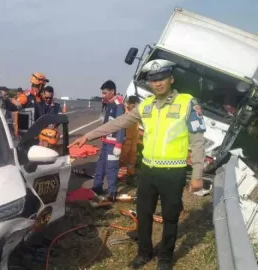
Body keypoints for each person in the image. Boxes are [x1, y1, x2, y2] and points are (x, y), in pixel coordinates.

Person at [68, 59, 206, 269]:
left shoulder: (188, 103)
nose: (158, 83)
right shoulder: (146, 105)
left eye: (162, 79)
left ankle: (166, 259)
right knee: (143, 213)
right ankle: (144, 253)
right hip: (148, 171)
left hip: (173, 172)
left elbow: (197, 141)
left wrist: (197, 174)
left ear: (171, 79)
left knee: (170, 217)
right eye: (153, 79)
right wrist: (88, 136)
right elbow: (118, 122)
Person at [92, 80, 125, 202]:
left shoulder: (118, 105)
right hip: (106, 142)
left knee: (111, 168)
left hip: (113, 143)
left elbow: (121, 125)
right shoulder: (109, 103)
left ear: (112, 91)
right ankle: (97, 187)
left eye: (105, 93)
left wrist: (118, 144)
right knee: (100, 164)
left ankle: (112, 192)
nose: (103, 95)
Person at [119, 95, 141, 179]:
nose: (135, 107)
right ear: (128, 104)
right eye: (133, 105)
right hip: (125, 142)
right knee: (122, 159)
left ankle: (130, 175)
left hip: (134, 142)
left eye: (136, 106)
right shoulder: (123, 113)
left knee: (132, 160)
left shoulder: (136, 114)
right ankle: (121, 176)